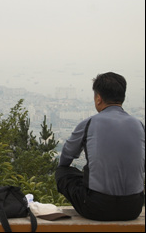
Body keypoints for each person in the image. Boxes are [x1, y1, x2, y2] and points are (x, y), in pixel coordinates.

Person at [56, 72, 145, 221]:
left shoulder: (89, 123)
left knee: (62, 172)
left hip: (97, 208)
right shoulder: (139, 126)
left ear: (98, 98)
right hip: (133, 207)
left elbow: (65, 158)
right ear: (122, 98)